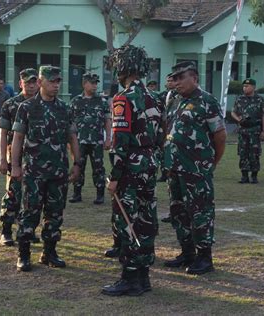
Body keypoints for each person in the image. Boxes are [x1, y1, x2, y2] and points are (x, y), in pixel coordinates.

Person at [101, 45, 165, 296]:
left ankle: (130, 277)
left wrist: (115, 177)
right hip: (149, 165)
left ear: (124, 68)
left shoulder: (123, 99)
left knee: (126, 221)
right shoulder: (155, 98)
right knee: (146, 220)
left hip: (130, 167)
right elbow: (161, 135)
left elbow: (120, 141)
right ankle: (144, 276)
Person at [11, 66, 81, 272]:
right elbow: (17, 139)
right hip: (34, 172)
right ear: (40, 82)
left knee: (55, 213)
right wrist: (15, 166)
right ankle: (23, 254)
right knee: (30, 212)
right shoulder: (27, 107)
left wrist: (77, 163)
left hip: (58, 171)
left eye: (58, 81)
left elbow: (72, 137)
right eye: (51, 81)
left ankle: (49, 252)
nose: (56, 85)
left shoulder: (64, 108)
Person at [163, 61, 226, 275]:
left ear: (195, 78)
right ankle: (187, 252)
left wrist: (211, 163)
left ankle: (204, 257)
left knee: (200, 212)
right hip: (175, 169)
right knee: (179, 211)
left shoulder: (207, 101)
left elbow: (220, 136)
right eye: (175, 78)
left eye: (182, 78)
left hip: (197, 169)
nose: (177, 82)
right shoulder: (174, 100)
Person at [0, 68, 39, 246]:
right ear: (20, 83)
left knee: (33, 196)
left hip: (36, 157)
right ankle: (6, 231)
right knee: (13, 193)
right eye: (27, 82)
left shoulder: (42, 104)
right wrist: (2, 159)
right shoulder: (10, 104)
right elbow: (3, 133)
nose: (30, 85)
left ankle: (27, 229)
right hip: (15, 156)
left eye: (33, 82)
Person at [69, 73, 112, 204]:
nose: (95, 85)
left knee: (98, 168)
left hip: (96, 141)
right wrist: (70, 142)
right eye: (92, 83)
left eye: (96, 83)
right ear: (84, 84)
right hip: (79, 141)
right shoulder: (76, 101)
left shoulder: (102, 101)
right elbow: (70, 123)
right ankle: (77, 194)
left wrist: (108, 138)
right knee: (78, 167)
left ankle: (100, 195)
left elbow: (107, 121)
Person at [231, 78, 264, 184]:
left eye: (247, 86)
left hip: (255, 130)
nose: (244, 88)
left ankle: (254, 176)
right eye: (243, 86)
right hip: (243, 130)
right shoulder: (239, 99)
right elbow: (233, 112)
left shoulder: (260, 99)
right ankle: (244, 176)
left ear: (253, 87)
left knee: (254, 153)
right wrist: (239, 119)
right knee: (243, 152)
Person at [160, 74, 181, 223]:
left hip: (185, 145)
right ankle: (173, 211)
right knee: (171, 180)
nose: (169, 83)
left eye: (172, 80)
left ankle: (186, 212)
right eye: (168, 80)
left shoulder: (188, 97)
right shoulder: (167, 96)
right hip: (170, 142)